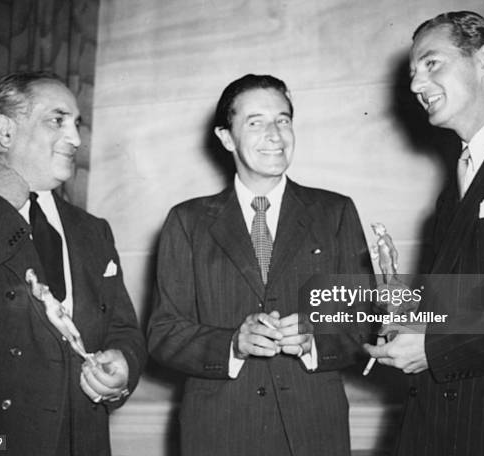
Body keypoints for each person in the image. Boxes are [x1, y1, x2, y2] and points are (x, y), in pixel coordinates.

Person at [147, 74, 373, 455]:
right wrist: (232, 344)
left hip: (314, 432)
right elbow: (163, 334)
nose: (275, 135)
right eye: (256, 122)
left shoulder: (334, 213)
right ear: (225, 137)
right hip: (219, 432)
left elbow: (364, 322)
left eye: (283, 120)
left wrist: (312, 341)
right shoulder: (187, 221)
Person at [365, 11, 484, 455]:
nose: (415, 85)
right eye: (412, 73)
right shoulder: (455, 189)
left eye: (431, 64)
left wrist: (437, 348)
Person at [0, 71, 146, 456]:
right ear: (5, 130)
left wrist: (124, 364)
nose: (76, 139)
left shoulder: (92, 229)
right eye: (57, 120)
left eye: (76, 123)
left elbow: (124, 329)